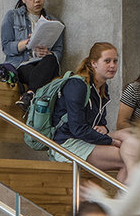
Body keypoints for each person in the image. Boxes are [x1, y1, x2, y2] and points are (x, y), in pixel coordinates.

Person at [49, 43, 126, 178]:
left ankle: (122, 196)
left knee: (128, 138)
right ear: (94, 63)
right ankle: (121, 197)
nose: (113, 65)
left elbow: (101, 122)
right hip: (67, 143)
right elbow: (77, 128)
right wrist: (110, 141)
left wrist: (104, 129)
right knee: (126, 158)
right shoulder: (77, 85)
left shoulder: (102, 87)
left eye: (115, 61)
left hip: (85, 139)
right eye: (107, 61)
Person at [0, 0, 65, 89]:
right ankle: (33, 94)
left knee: (51, 60)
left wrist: (48, 53)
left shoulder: (54, 22)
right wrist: (26, 43)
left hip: (44, 64)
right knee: (39, 74)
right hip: (21, 65)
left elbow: (58, 51)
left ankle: (30, 94)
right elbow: (6, 47)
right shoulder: (12, 16)